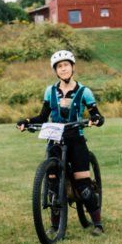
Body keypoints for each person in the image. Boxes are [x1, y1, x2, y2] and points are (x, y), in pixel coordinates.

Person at [18, 49, 105, 234]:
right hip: (55, 138)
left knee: (83, 184)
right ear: (55, 71)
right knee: (52, 183)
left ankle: (97, 222)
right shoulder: (50, 91)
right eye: (59, 66)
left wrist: (96, 119)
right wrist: (26, 122)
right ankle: (54, 225)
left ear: (72, 67)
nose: (63, 69)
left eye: (66, 65)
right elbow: (43, 115)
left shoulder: (84, 91)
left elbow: (95, 113)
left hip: (76, 138)